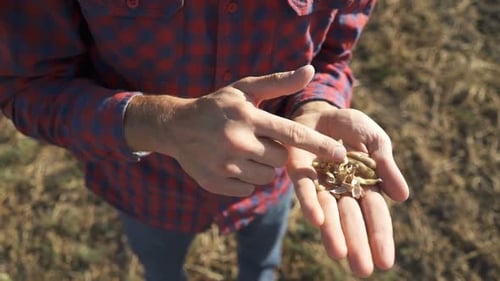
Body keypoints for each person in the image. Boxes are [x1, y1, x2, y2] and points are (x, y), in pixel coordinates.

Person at [0, 1, 409, 280]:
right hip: (147, 190)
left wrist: (315, 102)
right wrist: (162, 124)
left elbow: (332, 54)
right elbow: (30, 86)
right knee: (161, 268)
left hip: (273, 183)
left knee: (262, 262)